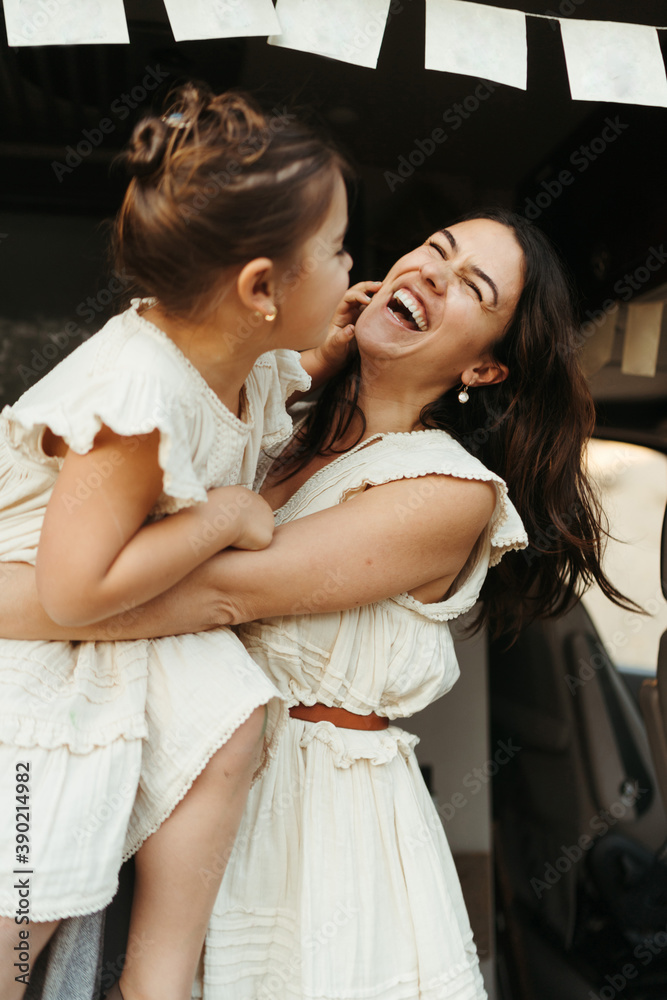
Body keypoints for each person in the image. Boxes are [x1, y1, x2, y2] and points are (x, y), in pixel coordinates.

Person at [0, 211, 633, 999]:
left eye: (472, 286)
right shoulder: (271, 418)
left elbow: (222, 594)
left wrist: (17, 602)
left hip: (311, 833)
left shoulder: (447, 492)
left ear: (483, 367)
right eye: (435, 250)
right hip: (167, 781)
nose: (434, 274)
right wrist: (300, 360)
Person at [0, 82, 356, 1000]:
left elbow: (274, 373)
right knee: (20, 914)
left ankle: (155, 981)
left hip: (108, 639)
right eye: (336, 248)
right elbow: (71, 590)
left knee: (230, 711)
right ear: (261, 288)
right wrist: (222, 518)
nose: (352, 262)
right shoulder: (138, 399)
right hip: (38, 653)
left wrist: (329, 346)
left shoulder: (237, 358)